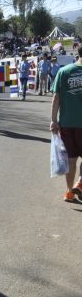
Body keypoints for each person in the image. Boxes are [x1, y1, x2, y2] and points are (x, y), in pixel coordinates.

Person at [50, 48, 82, 203]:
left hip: (67, 123)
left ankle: (69, 192)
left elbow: (56, 97)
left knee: (71, 158)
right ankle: (80, 183)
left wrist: (53, 120)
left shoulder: (64, 71)